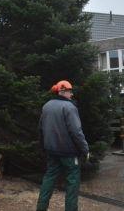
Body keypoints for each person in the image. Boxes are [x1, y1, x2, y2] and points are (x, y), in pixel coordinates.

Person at [36, 80, 89, 211]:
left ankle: (41, 208)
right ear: (62, 91)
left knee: (49, 179)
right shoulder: (70, 107)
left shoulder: (46, 106)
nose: (71, 94)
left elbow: (40, 128)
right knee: (72, 183)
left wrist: (43, 147)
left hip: (51, 151)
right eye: (70, 91)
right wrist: (85, 149)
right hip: (69, 154)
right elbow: (76, 132)